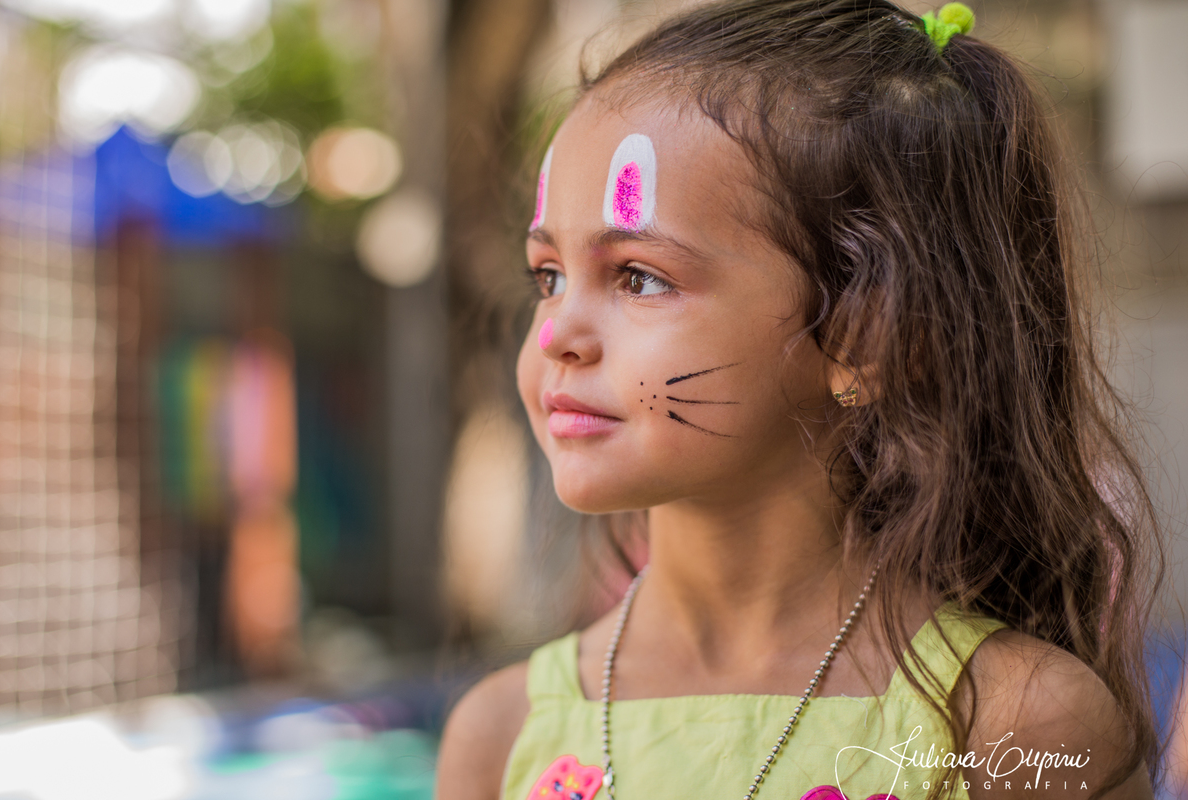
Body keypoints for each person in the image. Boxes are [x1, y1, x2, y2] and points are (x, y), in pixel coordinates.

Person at [434, 2, 1166, 800]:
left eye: (639, 277)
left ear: (866, 338)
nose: (556, 334)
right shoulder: (499, 738)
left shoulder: (1012, 727)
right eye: (548, 276)